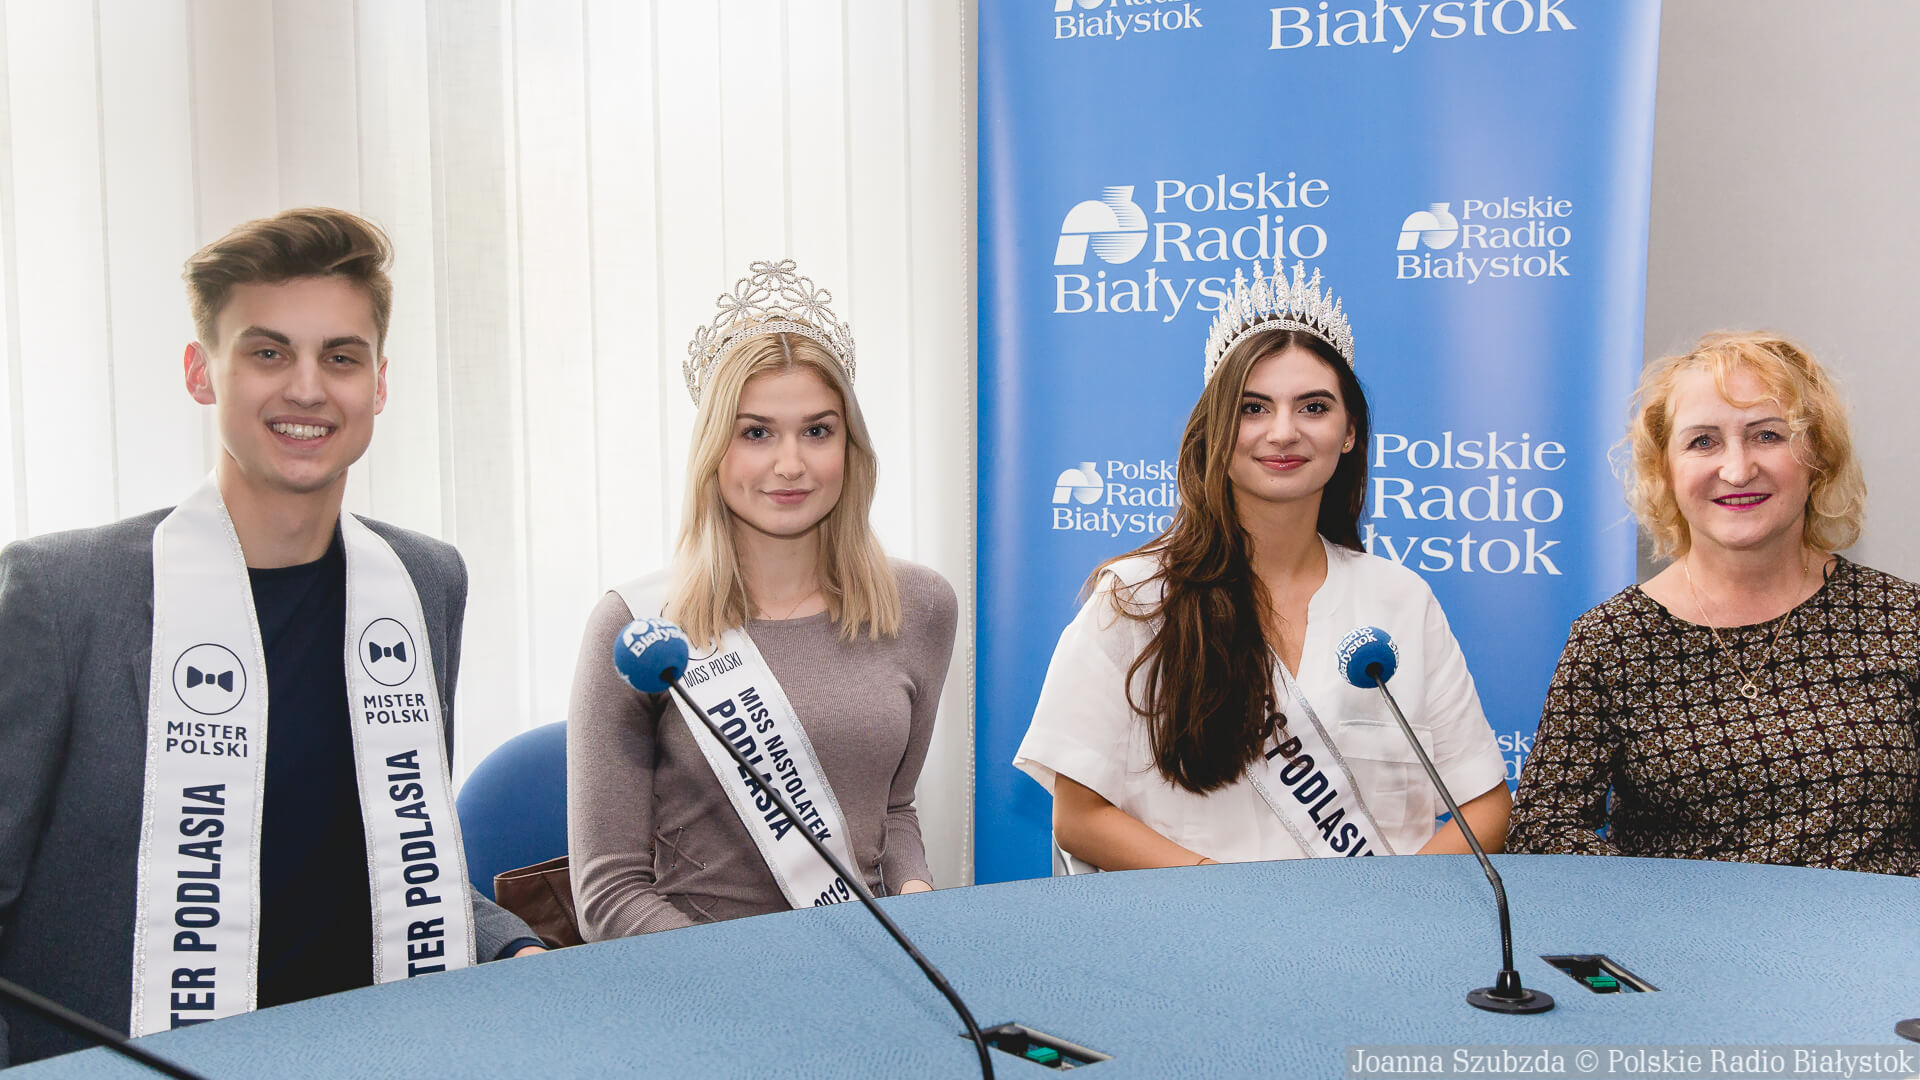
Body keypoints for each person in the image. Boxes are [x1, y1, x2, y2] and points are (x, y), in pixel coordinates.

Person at [0, 208, 541, 1068]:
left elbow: (392, 853)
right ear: (200, 373)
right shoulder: (63, 599)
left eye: (340, 356)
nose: (306, 389)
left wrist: (512, 945)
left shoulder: (424, 583)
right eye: (266, 352)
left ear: (379, 382)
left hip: (373, 1051)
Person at [1014, 260, 1510, 870]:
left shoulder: (1401, 600)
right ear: (1217, 428)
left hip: (1374, 948)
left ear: (1349, 432)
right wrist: (1237, 907)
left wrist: (1389, 908)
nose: (1283, 432)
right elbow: (1080, 817)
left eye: (1313, 407)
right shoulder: (1137, 600)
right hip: (1193, 944)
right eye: (1253, 408)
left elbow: (1484, 807)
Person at [567, 258, 956, 939]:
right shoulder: (637, 629)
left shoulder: (920, 606)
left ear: (850, 448)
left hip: (873, 965)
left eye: (816, 430)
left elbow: (892, 811)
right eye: (756, 433)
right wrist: (755, 984)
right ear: (714, 452)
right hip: (702, 989)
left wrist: (916, 890)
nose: (789, 464)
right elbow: (609, 893)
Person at [1507, 332, 1918, 873]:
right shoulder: (1613, 639)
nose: (1737, 469)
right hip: (1684, 951)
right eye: (1703, 442)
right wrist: (1660, 912)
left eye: (1767, 435)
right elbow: (1543, 827)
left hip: (1877, 949)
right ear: (1665, 470)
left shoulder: (1900, 619)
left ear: (1817, 454)